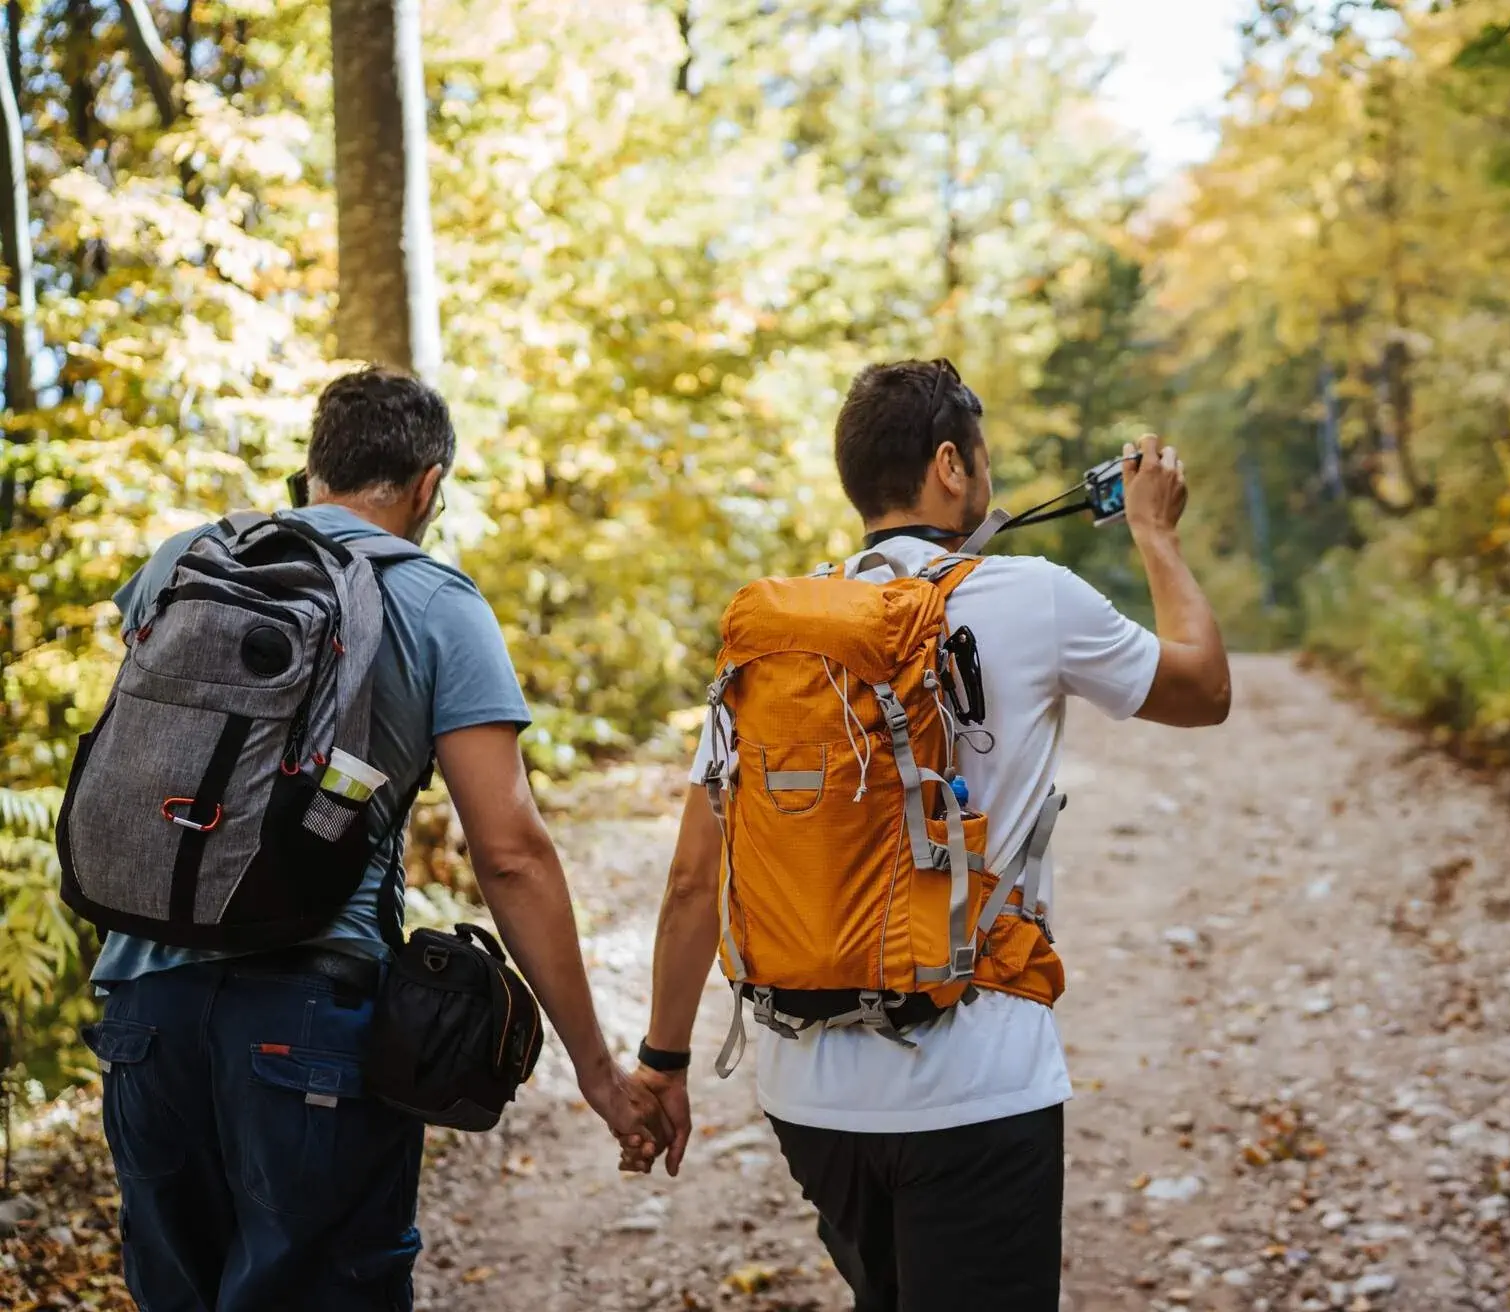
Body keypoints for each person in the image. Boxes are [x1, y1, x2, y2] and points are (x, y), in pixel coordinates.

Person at [632, 358, 1231, 1310]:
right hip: (979, 1084)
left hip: (808, 1096)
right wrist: (1155, 533)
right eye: (981, 460)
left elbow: (693, 883)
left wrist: (662, 1064)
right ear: (950, 466)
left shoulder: (776, 637)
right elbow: (1204, 690)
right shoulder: (1035, 597)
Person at [82, 367, 668, 1311]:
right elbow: (510, 851)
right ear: (430, 484)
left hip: (144, 1008)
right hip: (310, 1017)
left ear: (312, 470)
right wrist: (598, 1075)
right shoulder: (436, 601)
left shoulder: (183, 560)